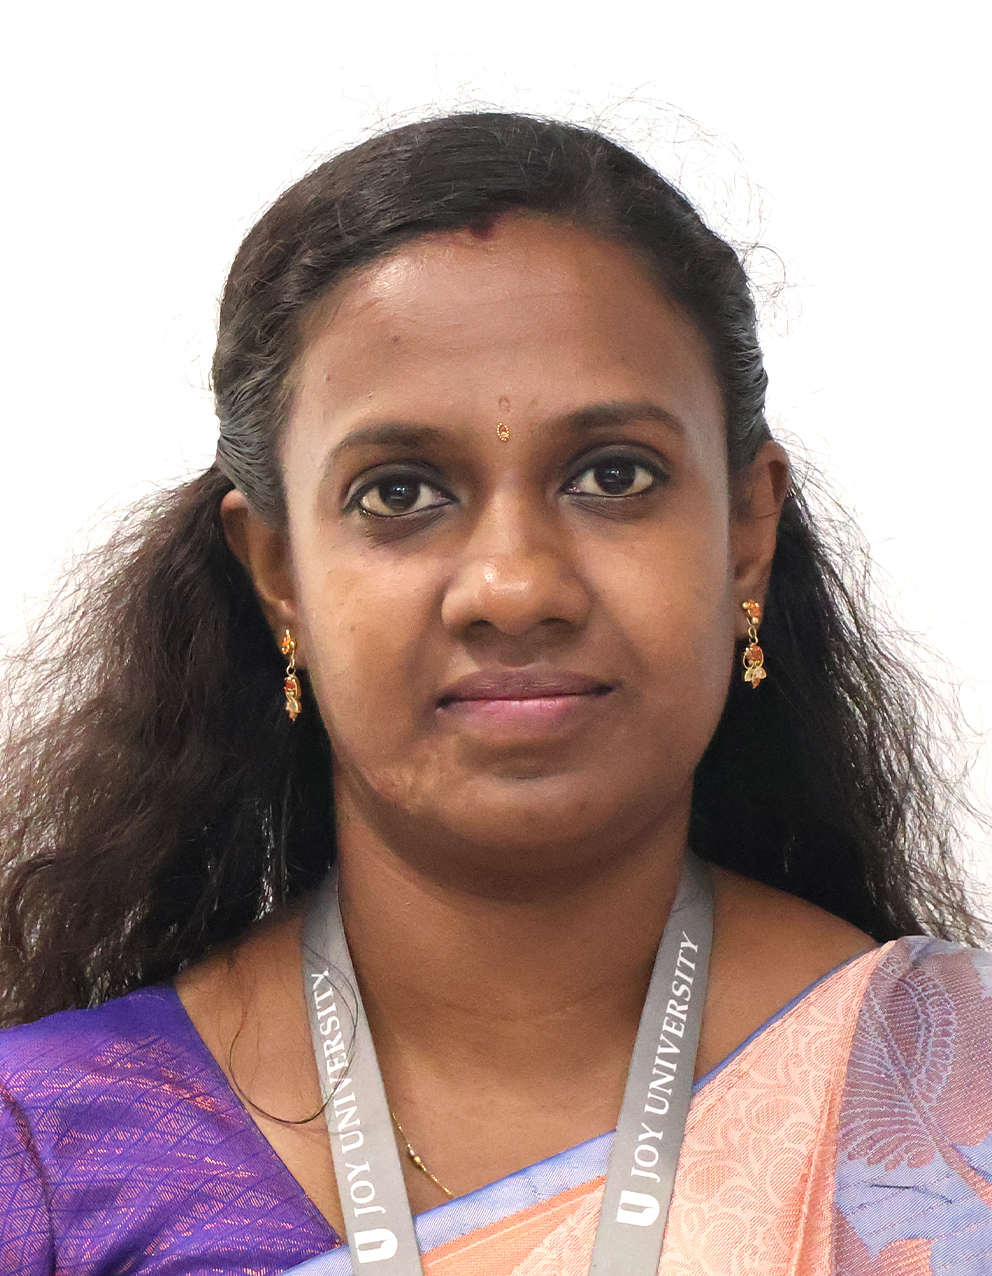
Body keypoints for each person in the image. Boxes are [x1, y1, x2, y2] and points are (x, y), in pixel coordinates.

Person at [0, 111, 989, 1276]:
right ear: (277, 573)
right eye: (397, 492)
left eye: (612, 474)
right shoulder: (48, 1155)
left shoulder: (950, 1107)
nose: (514, 588)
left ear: (744, 536)